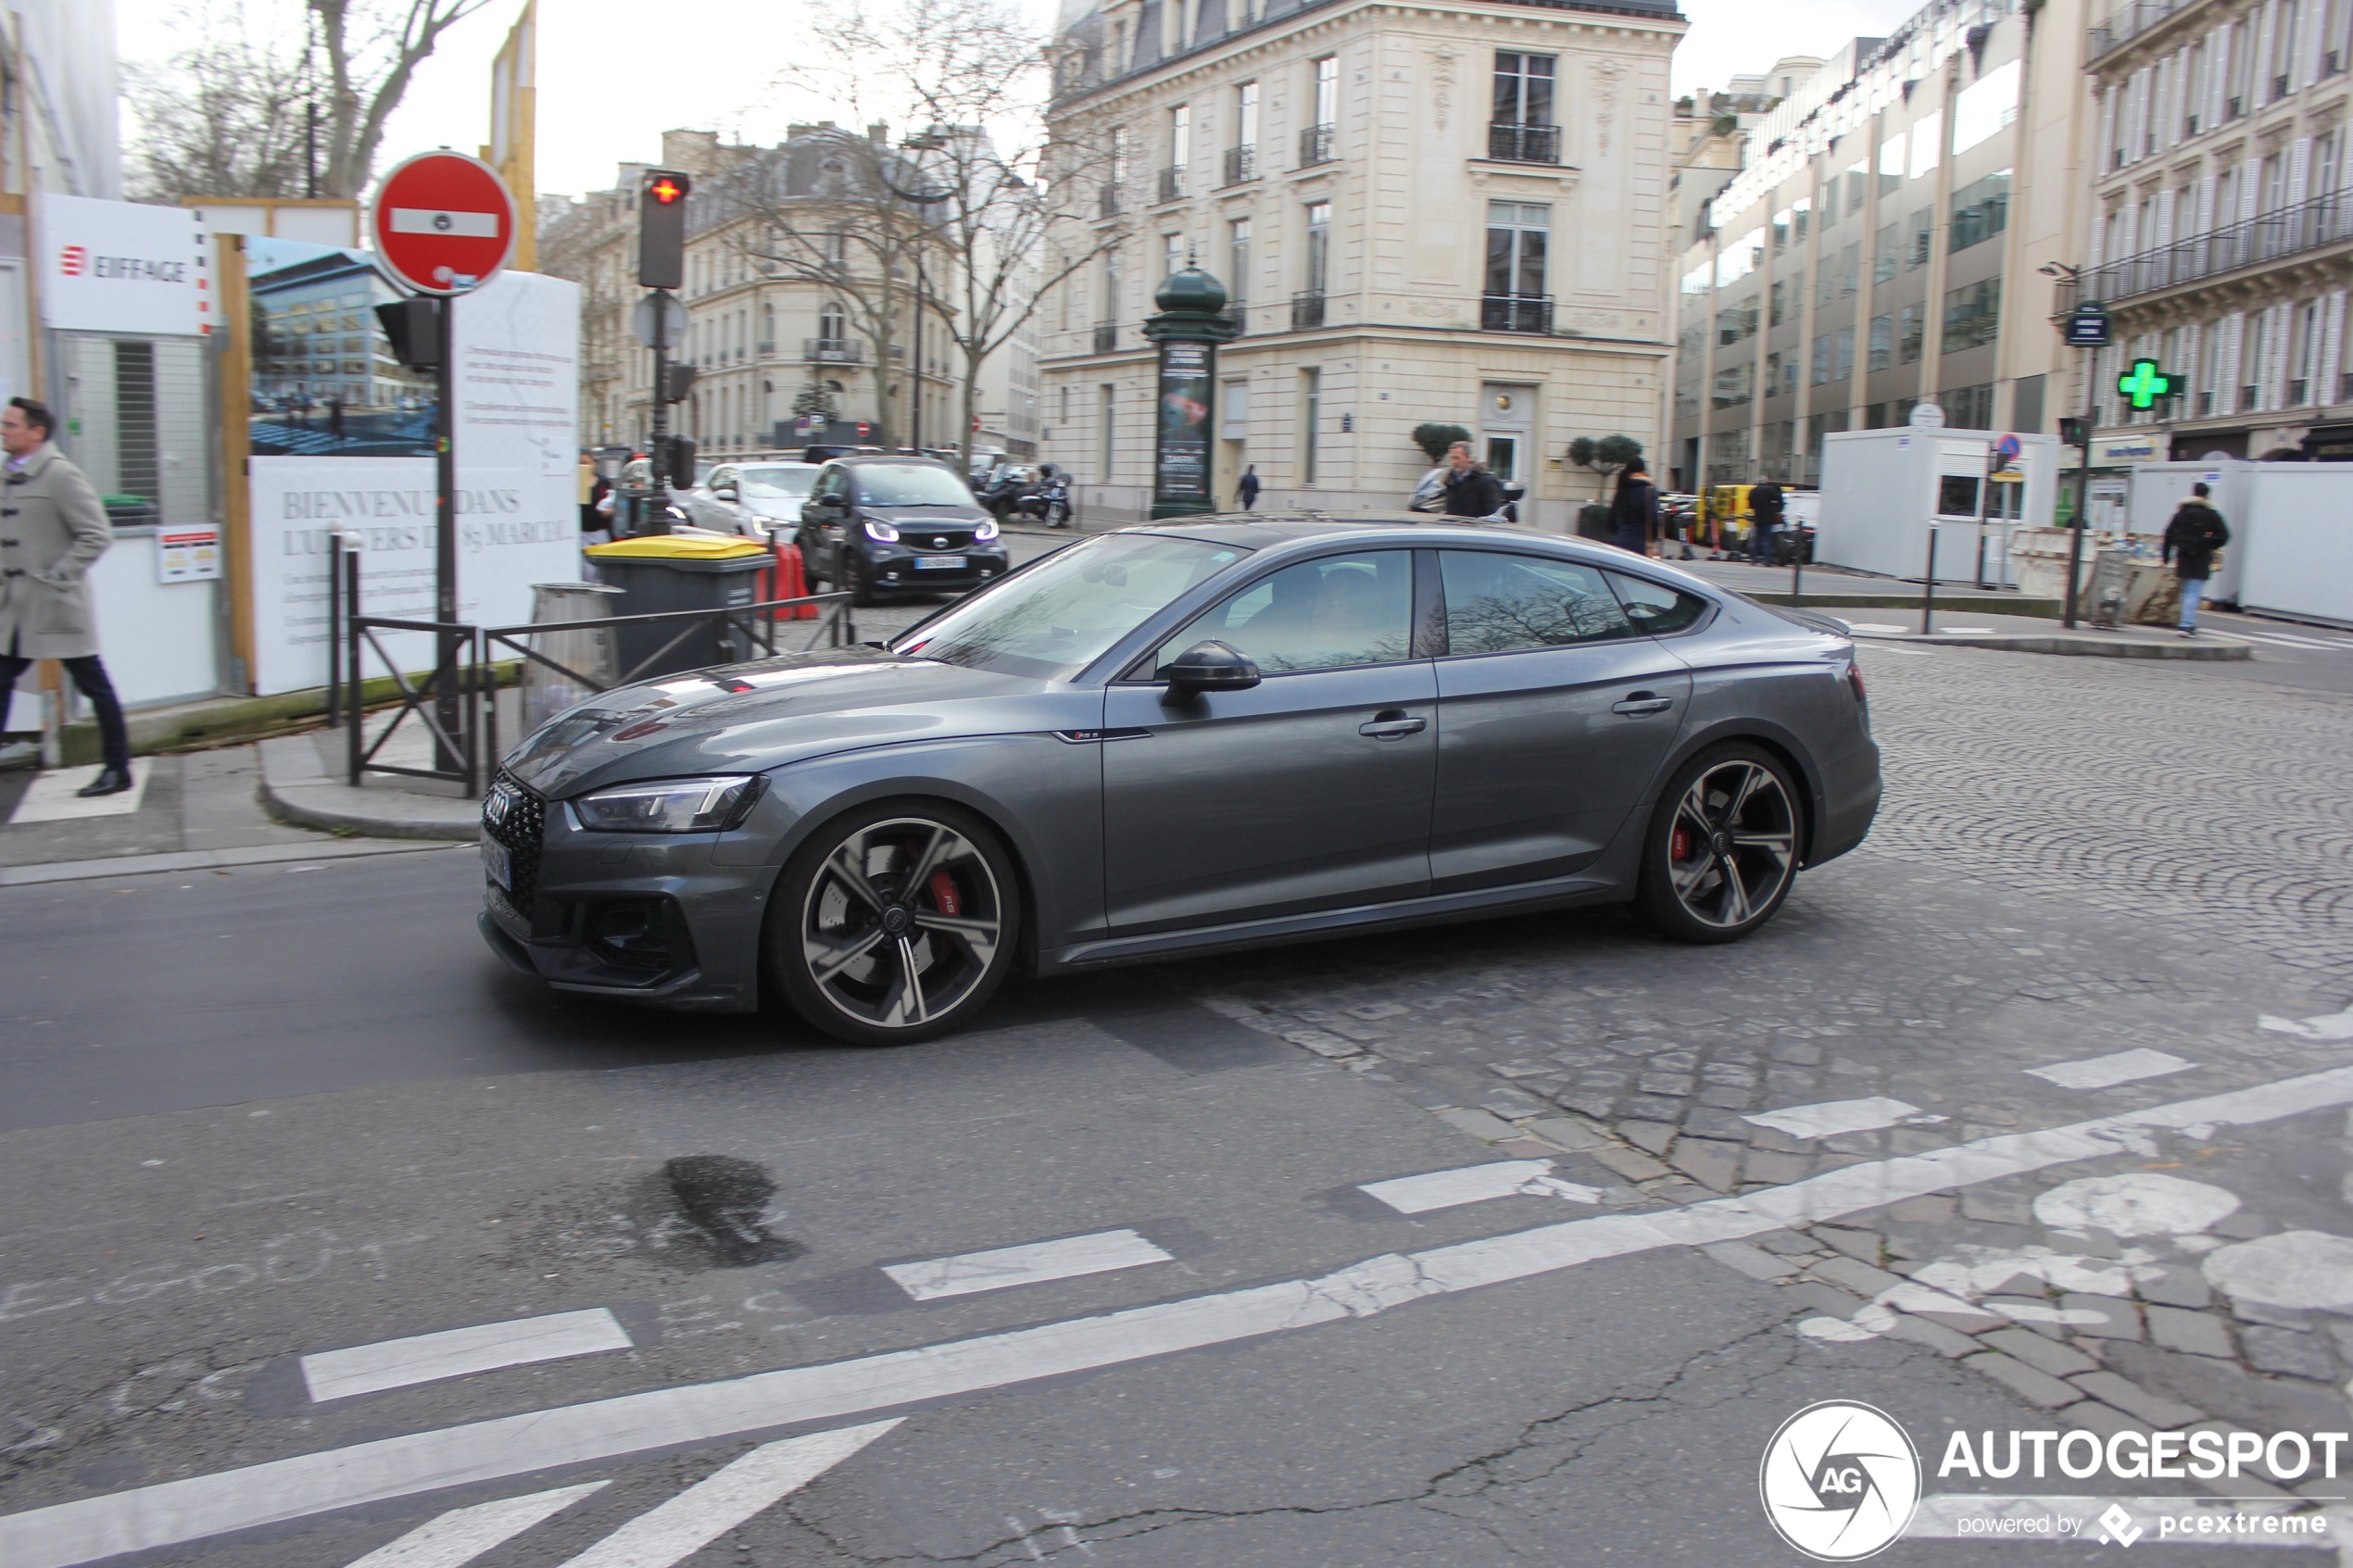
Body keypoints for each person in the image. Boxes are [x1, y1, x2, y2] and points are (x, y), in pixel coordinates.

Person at [0, 397, 132, 795]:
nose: (3, 430)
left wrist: (58, 576)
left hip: (57, 603)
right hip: (14, 608)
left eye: (10, 424)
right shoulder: (10, 475)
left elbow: (97, 534)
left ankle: (117, 768)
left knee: (94, 686)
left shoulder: (60, 475)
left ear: (36, 431)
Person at [2162, 482, 2231, 636]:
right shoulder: (2212, 514)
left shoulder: (2182, 512)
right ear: (2207, 495)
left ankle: (2186, 623)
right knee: (2194, 591)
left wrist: (2166, 556)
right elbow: (2225, 535)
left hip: (2184, 556)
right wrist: (2210, 543)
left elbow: (2168, 533)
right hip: (2202, 557)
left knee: (2186, 591)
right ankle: (2187, 624)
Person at [1440, 441, 1505, 518]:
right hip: (1454, 526)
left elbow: (1492, 513)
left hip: (1474, 528)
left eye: (1457, 458)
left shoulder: (1485, 480)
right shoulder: (1450, 479)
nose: (1454, 462)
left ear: (1469, 457)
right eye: (1452, 458)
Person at [1608, 458, 1659, 555]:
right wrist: (1652, 539)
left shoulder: (1622, 488)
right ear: (1643, 470)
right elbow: (1654, 519)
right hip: (1639, 544)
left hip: (1619, 543)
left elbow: (1611, 519)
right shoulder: (1648, 490)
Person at [1747, 479, 1785, 564]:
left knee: (1757, 539)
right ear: (1766, 483)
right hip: (1768, 518)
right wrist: (1775, 509)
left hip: (1758, 518)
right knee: (1767, 540)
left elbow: (1751, 505)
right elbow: (1780, 502)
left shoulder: (1753, 491)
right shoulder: (1770, 490)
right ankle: (1767, 560)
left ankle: (1754, 559)